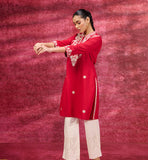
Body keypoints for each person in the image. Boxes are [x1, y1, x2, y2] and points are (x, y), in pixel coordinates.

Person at [33, 9, 102, 160]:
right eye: (74, 23)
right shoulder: (77, 37)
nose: (76, 26)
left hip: (87, 82)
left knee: (90, 119)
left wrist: (49, 50)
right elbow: (62, 42)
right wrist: (43, 44)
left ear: (88, 20)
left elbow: (74, 48)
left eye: (79, 22)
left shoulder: (96, 39)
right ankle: (71, 157)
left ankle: (95, 157)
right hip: (72, 82)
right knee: (70, 117)